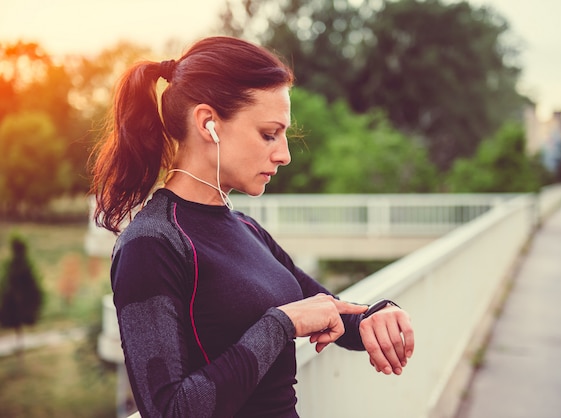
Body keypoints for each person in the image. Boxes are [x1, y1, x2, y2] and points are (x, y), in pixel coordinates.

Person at [90, 36, 414, 418]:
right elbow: (169, 411)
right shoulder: (152, 244)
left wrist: (376, 315)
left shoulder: (246, 228)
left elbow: (329, 311)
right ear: (208, 123)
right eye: (268, 134)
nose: (284, 154)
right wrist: (280, 326)